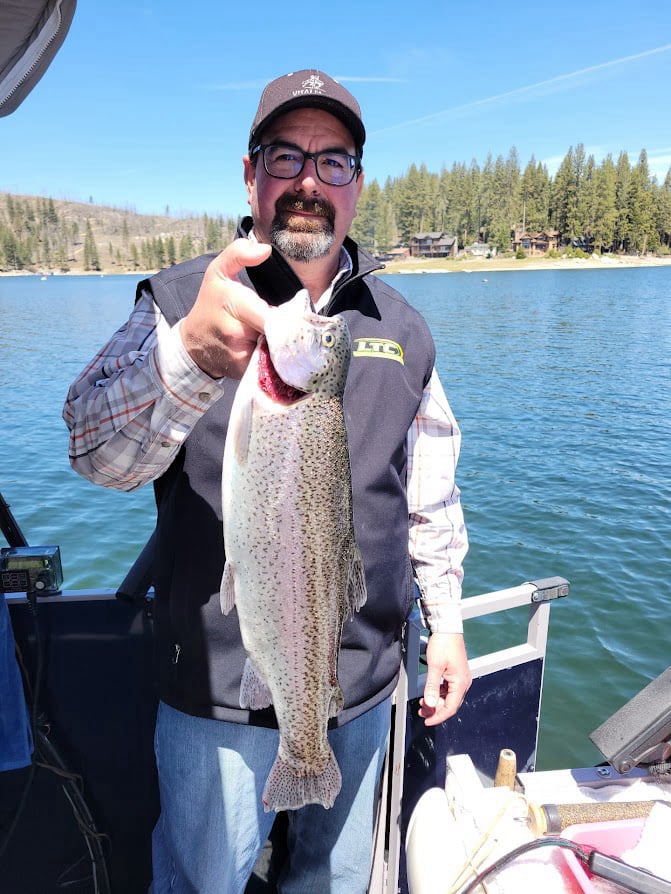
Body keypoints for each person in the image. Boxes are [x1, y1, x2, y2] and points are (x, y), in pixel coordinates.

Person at [63, 69, 471, 894]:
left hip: (363, 679)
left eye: (334, 162)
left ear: (358, 184)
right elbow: (96, 457)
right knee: (203, 880)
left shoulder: (404, 326)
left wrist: (449, 621)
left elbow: (427, 489)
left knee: (337, 878)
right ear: (249, 176)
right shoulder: (181, 300)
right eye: (285, 156)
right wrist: (186, 361)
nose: (308, 181)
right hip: (216, 688)